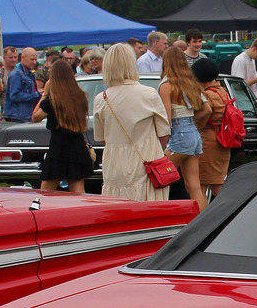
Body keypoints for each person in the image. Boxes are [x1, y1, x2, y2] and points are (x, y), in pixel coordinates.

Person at [93, 43, 171, 203]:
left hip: (115, 165)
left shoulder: (101, 98)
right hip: (147, 162)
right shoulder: (148, 94)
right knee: (150, 212)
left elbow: (102, 137)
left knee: (116, 211)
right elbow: (164, 133)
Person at [31, 60, 94, 195]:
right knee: (78, 193)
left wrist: (45, 94)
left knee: (45, 193)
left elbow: (35, 117)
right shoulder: (80, 96)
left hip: (58, 148)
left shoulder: (53, 100)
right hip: (77, 147)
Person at [158, 47, 210, 206]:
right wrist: (191, 119)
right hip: (193, 133)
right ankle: (204, 222)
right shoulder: (190, 82)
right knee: (194, 187)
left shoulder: (166, 85)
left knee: (158, 178)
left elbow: (166, 118)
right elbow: (207, 109)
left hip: (177, 135)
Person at [192, 58, 232, 203]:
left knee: (200, 186)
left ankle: (203, 218)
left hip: (208, 142)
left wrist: (195, 125)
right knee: (218, 183)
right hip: (223, 140)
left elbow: (204, 115)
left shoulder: (207, 95)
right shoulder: (223, 92)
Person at [4, 47, 40, 122]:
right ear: (23, 58)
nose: (34, 62)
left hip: (27, 116)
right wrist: (35, 95)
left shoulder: (29, 73)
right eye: (32, 59)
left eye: (35, 60)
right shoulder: (16, 74)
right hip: (19, 117)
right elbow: (14, 96)